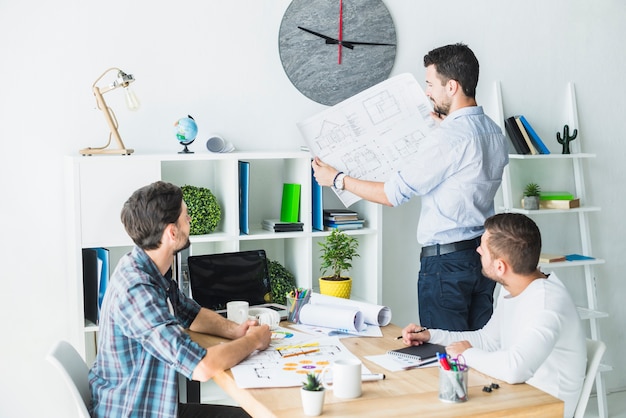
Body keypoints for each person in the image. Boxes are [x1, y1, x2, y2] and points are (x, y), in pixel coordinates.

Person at [312, 43, 509, 331]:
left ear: (452, 86)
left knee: (444, 356)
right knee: (477, 351)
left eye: (430, 84)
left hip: (446, 266)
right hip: (482, 259)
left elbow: (392, 194)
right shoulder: (494, 132)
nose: (427, 92)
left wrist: (338, 179)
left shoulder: (449, 139)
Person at [89, 181, 271, 418]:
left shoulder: (148, 266)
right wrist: (253, 342)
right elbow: (201, 367)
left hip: (153, 405)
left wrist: (236, 331)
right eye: (186, 217)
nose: (191, 221)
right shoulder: (137, 291)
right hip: (135, 410)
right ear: (172, 232)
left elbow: (190, 313)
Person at [400, 213, 586, 418]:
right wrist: (431, 336)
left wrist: (466, 354)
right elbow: (487, 340)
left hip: (542, 409)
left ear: (500, 266)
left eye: (483, 248)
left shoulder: (546, 303)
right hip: (514, 397)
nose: (477, 249)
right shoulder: (516, 285)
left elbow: (515, 369)